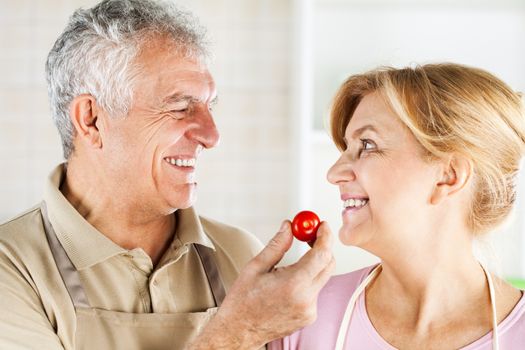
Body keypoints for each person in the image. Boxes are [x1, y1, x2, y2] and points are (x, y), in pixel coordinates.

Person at [0, 1, 335, 349]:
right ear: (91, 120)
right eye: (179, 107)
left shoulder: (238, 253)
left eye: (209, 106)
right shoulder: (12, 268)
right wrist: (238, 331)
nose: (211, 135)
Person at [269, 63, 525, 349]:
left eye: (367, 145)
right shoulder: (300, 316)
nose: (334, 173)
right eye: (346, 148)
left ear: (448, 176)